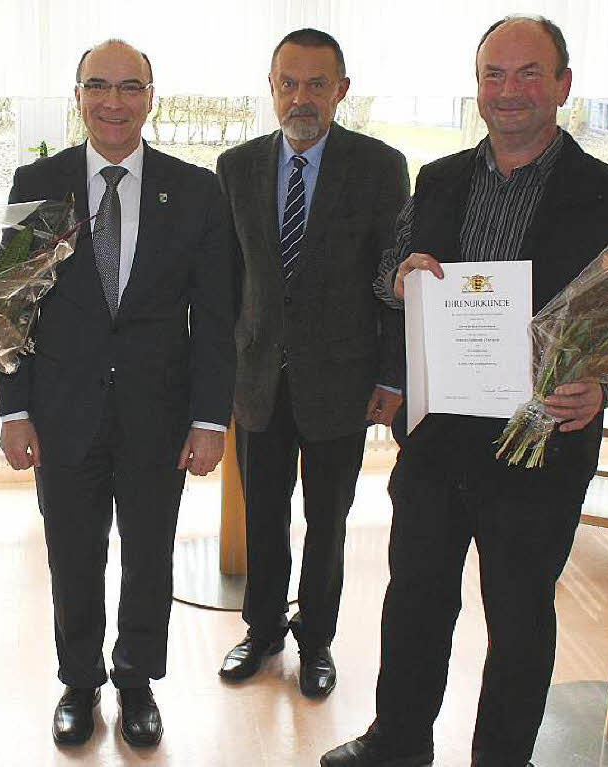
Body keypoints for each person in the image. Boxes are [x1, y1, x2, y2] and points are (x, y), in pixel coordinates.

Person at [321, 15, 608, 767]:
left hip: (542, 450)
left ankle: (503, 757)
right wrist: (401, 280)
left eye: (529, 73)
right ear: (477, 90)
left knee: (521, 622)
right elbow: (387, 276)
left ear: (564, 85)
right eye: (494, 75)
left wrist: (605, 387)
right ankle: (397, 741)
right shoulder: (438, 179)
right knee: (414, 606)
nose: (510, 91)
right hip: (437, 445)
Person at [0, 39, 235, 748]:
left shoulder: (193, 189)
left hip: (158, 417)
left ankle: (136, 680)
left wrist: (208, 417)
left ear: (151, 97)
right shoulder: (41, 184)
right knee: (73, 553)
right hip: (61, 412)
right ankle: (79, 681)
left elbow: (215, 315)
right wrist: (13, 409)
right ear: (77, 96)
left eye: (130, 87)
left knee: (150, 552)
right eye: (98, 86)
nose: (113, 101)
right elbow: (11, 305)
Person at [215, 28, 408, 697]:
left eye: (317, 84)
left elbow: (392, 283)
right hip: (258, 380)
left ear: (341, 90)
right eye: (288, 83)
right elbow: (230, 282)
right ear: (271, 88)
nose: (302, 97)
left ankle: (316, 639)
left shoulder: (380, 167)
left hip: (342, 383)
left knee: (328, 520)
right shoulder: (235, 167)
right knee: (263, 515)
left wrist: (391, 375)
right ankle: (262, 629)